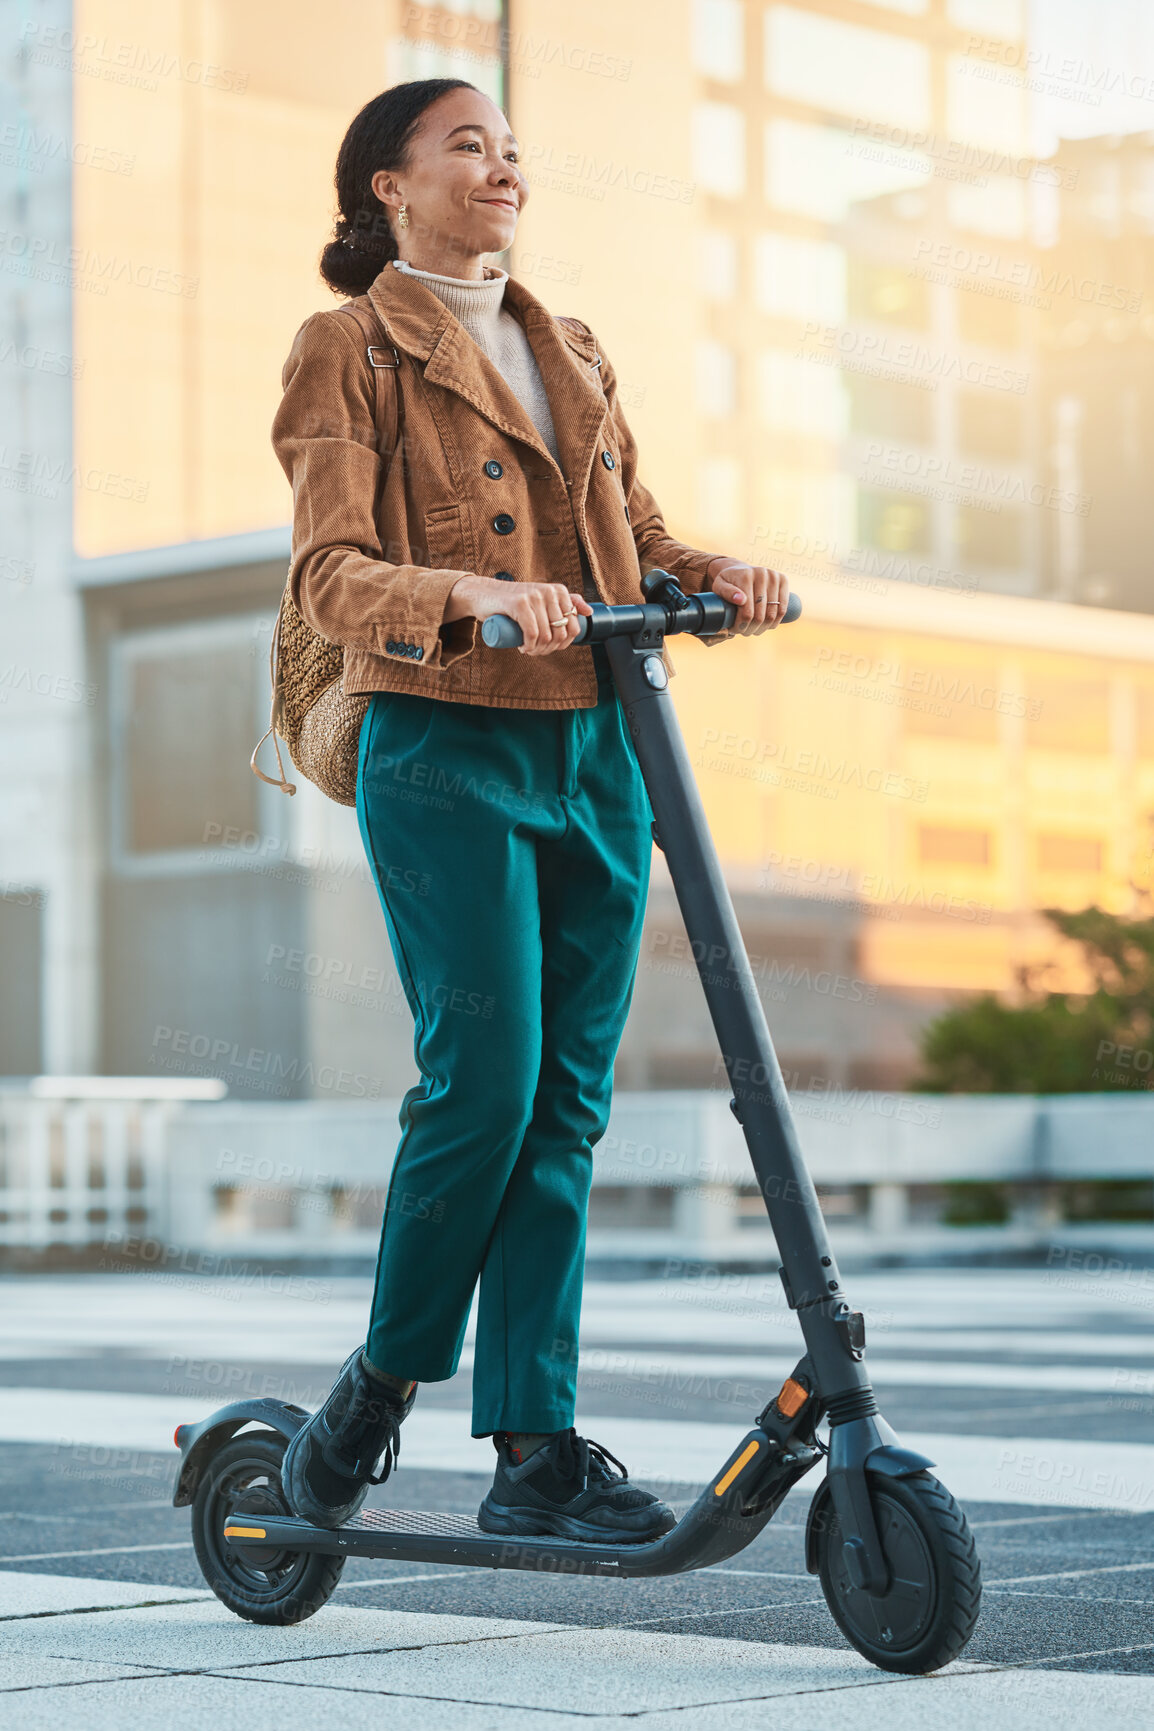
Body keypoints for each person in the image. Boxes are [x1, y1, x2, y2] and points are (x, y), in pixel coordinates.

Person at [272, 78, 790, 1543]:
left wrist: (721, 577)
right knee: (482, 1086)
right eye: (465, 147)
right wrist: (473, 598)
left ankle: (534, 1452)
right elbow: (330, 573)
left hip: (601, 751)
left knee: (568, 1103)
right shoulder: (349, 344)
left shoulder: (567, 342)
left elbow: (636, 535)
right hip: (442, 742)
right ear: (386, 183)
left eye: (509, 150)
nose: (501, 169)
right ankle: (376, 1390)